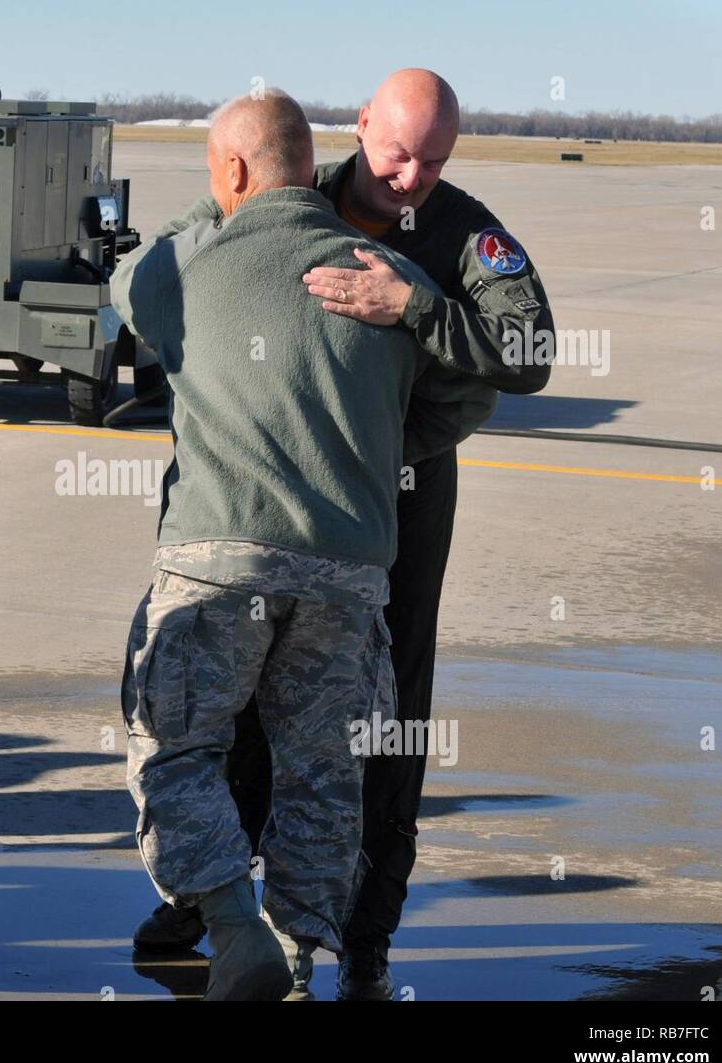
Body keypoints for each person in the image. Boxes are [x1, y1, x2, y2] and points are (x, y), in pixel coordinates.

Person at [131, 69, 554, 1001]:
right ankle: (214, 902)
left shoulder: (457, 234)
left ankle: (364, 933)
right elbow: (193, 244)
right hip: (278, 490)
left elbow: (527, 355)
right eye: (398, 152)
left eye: (434, 159)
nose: (411, 177)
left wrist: (421, 313)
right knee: (241, 702)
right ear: (358, 128)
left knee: (380, 722)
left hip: (394, 499)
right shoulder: (295, 195)